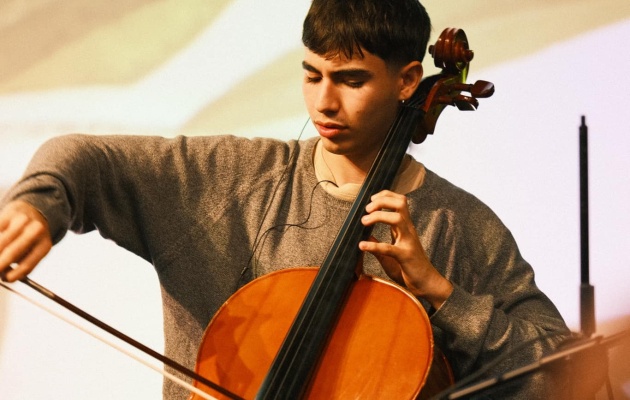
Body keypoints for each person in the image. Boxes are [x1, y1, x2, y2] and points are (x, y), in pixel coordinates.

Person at [0, 0, 570, 398]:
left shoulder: (459, 226)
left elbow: (566, 377)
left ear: (407, 81)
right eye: (311, 74)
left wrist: (443, 295)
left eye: (350, 80)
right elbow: (86, 158)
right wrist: (39, 203)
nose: (323, 102)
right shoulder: (234, 180)